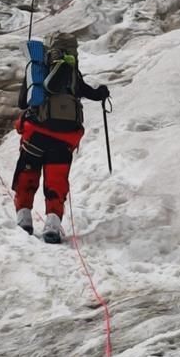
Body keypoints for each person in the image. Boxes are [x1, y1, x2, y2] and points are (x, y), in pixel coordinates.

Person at [14, 32, 109, 243]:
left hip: (35, 136)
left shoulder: (38, 71)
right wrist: (102, 92)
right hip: (65, 139)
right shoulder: (74, 73)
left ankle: (24, 219)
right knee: (56, 181)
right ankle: (52, 226)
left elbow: (23, 102)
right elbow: (92, 94)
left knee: (26, 175)